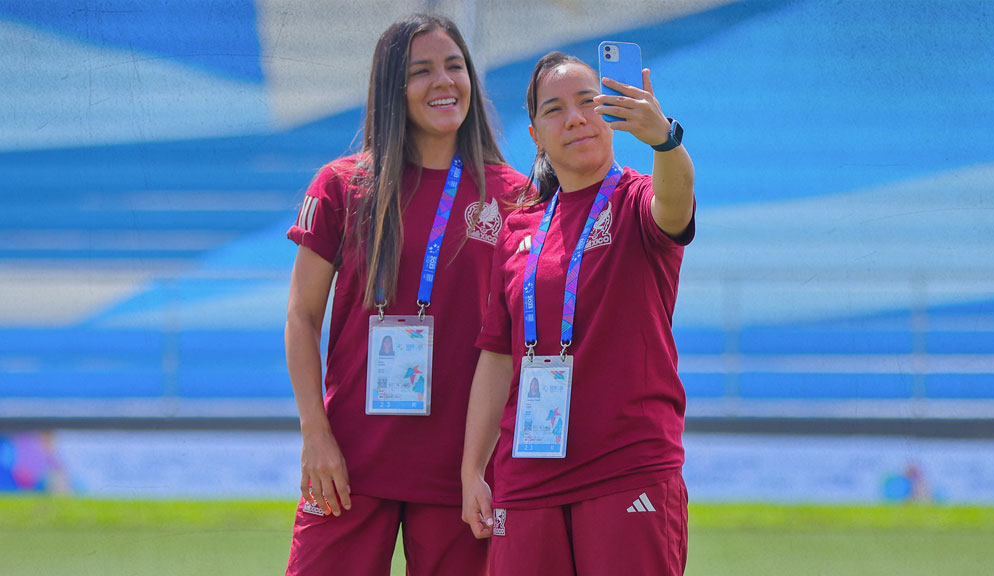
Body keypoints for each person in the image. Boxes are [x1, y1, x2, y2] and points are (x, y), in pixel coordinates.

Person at [284, 14, 528, 576]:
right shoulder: (343, 185)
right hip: (347, 466)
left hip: (463, 475)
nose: (444, 82)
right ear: (393, 89)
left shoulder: (516, 198)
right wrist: (315, 436)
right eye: (421, 71)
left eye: (454, 66)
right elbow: (302, 316)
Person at [461, 51, 695, 575]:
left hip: (626, 468)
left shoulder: (637, 198)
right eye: (554, 110)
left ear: (609, 112)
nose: (574, 117)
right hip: (526, 477)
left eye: (588, 102)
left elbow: (676, 204)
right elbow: (498, 357)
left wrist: (666, 140)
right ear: (536, 135)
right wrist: (473, 467)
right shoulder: (519, 227)